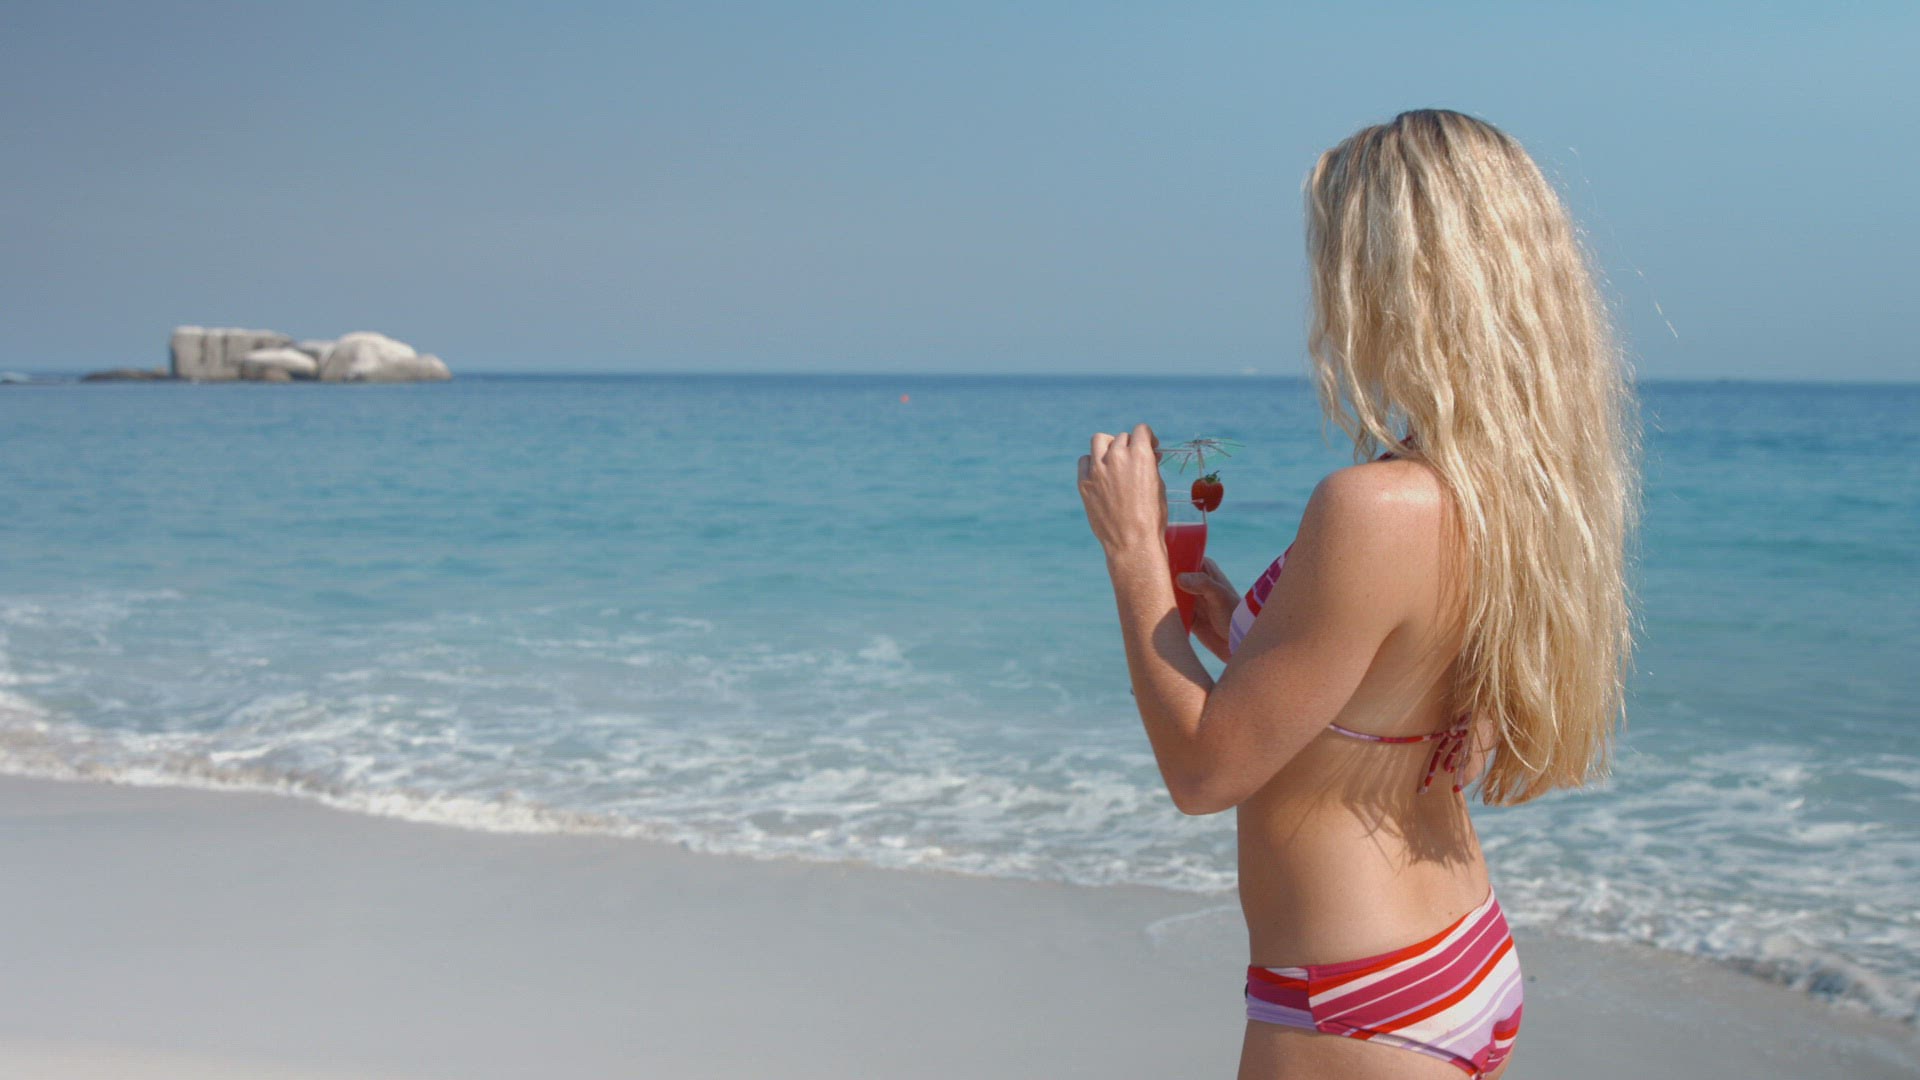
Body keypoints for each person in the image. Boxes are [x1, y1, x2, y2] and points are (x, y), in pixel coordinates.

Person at [1076, 108, 1639, 1079]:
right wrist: (1241, 636)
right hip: (1454, 949)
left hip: (1349, 996)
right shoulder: (1521, 493)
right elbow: (1424, 716)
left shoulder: (1375, 504)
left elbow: (1204, 774)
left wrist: (1131, 553)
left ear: (1393, 280)